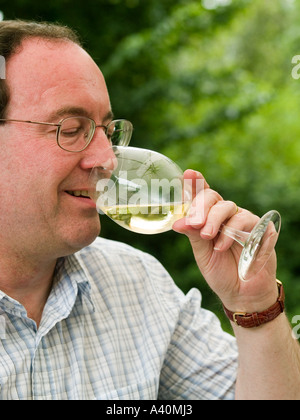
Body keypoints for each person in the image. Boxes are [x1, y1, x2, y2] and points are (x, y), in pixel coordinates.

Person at [0, 19, 299, 401]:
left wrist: (255, 306)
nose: (106, 158)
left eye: (107, 132)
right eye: (72, 129)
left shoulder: (137, 283)